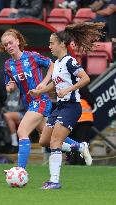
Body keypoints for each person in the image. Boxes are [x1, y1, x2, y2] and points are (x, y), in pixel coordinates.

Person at [0, 28, 92, 170]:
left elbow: (52, 65)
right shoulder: (8, 65)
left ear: (17, 41)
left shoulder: (32, 56)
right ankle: (79, 146)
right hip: (29, 103)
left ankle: (20, 170)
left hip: (41, 100)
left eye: (10, 42)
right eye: (5, 45)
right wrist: (9, 86)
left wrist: (44, 83)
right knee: (48, 138)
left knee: (22, 132)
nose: (9, 46)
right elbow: (9, 85)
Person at [29, 22, 104, 189]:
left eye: (51, 43)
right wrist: (39, 92)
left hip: (71, 106)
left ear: (62, 44)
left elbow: (85, 78)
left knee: (55, 142)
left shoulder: (70, 61)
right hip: (60, 106)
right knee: (44, 141)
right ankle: (79, 146)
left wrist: (69, 90)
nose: (49, 46)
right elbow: (55, 85)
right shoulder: (56, 64)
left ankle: (54, 181)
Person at [3, 87, 25, 153]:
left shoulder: (21, 92)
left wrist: (10, 112)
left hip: (21, 113)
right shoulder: (6, 92)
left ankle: (14, 142)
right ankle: (14, 144)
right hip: (8, 115)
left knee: (7, 116)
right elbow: (3, 105)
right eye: (9, 83)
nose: (10, 85)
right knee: (9, 119)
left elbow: (22, 106)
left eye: (12, 83)